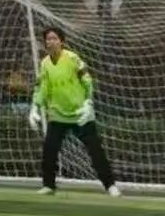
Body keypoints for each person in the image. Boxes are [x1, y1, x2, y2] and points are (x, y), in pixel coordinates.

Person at [29, 27, 120, 197]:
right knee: (49, 150)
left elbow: (87, 80)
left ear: (62, 42)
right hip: (57, 114)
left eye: (54, 38)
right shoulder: (44, 63)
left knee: (95, 151)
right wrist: (34, 107)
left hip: (80, 113)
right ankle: (48, 185)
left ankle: (110, 186)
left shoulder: (72, 58)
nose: (50, 42)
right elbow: (42, 87)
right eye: (48, 39)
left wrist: (88, 102)